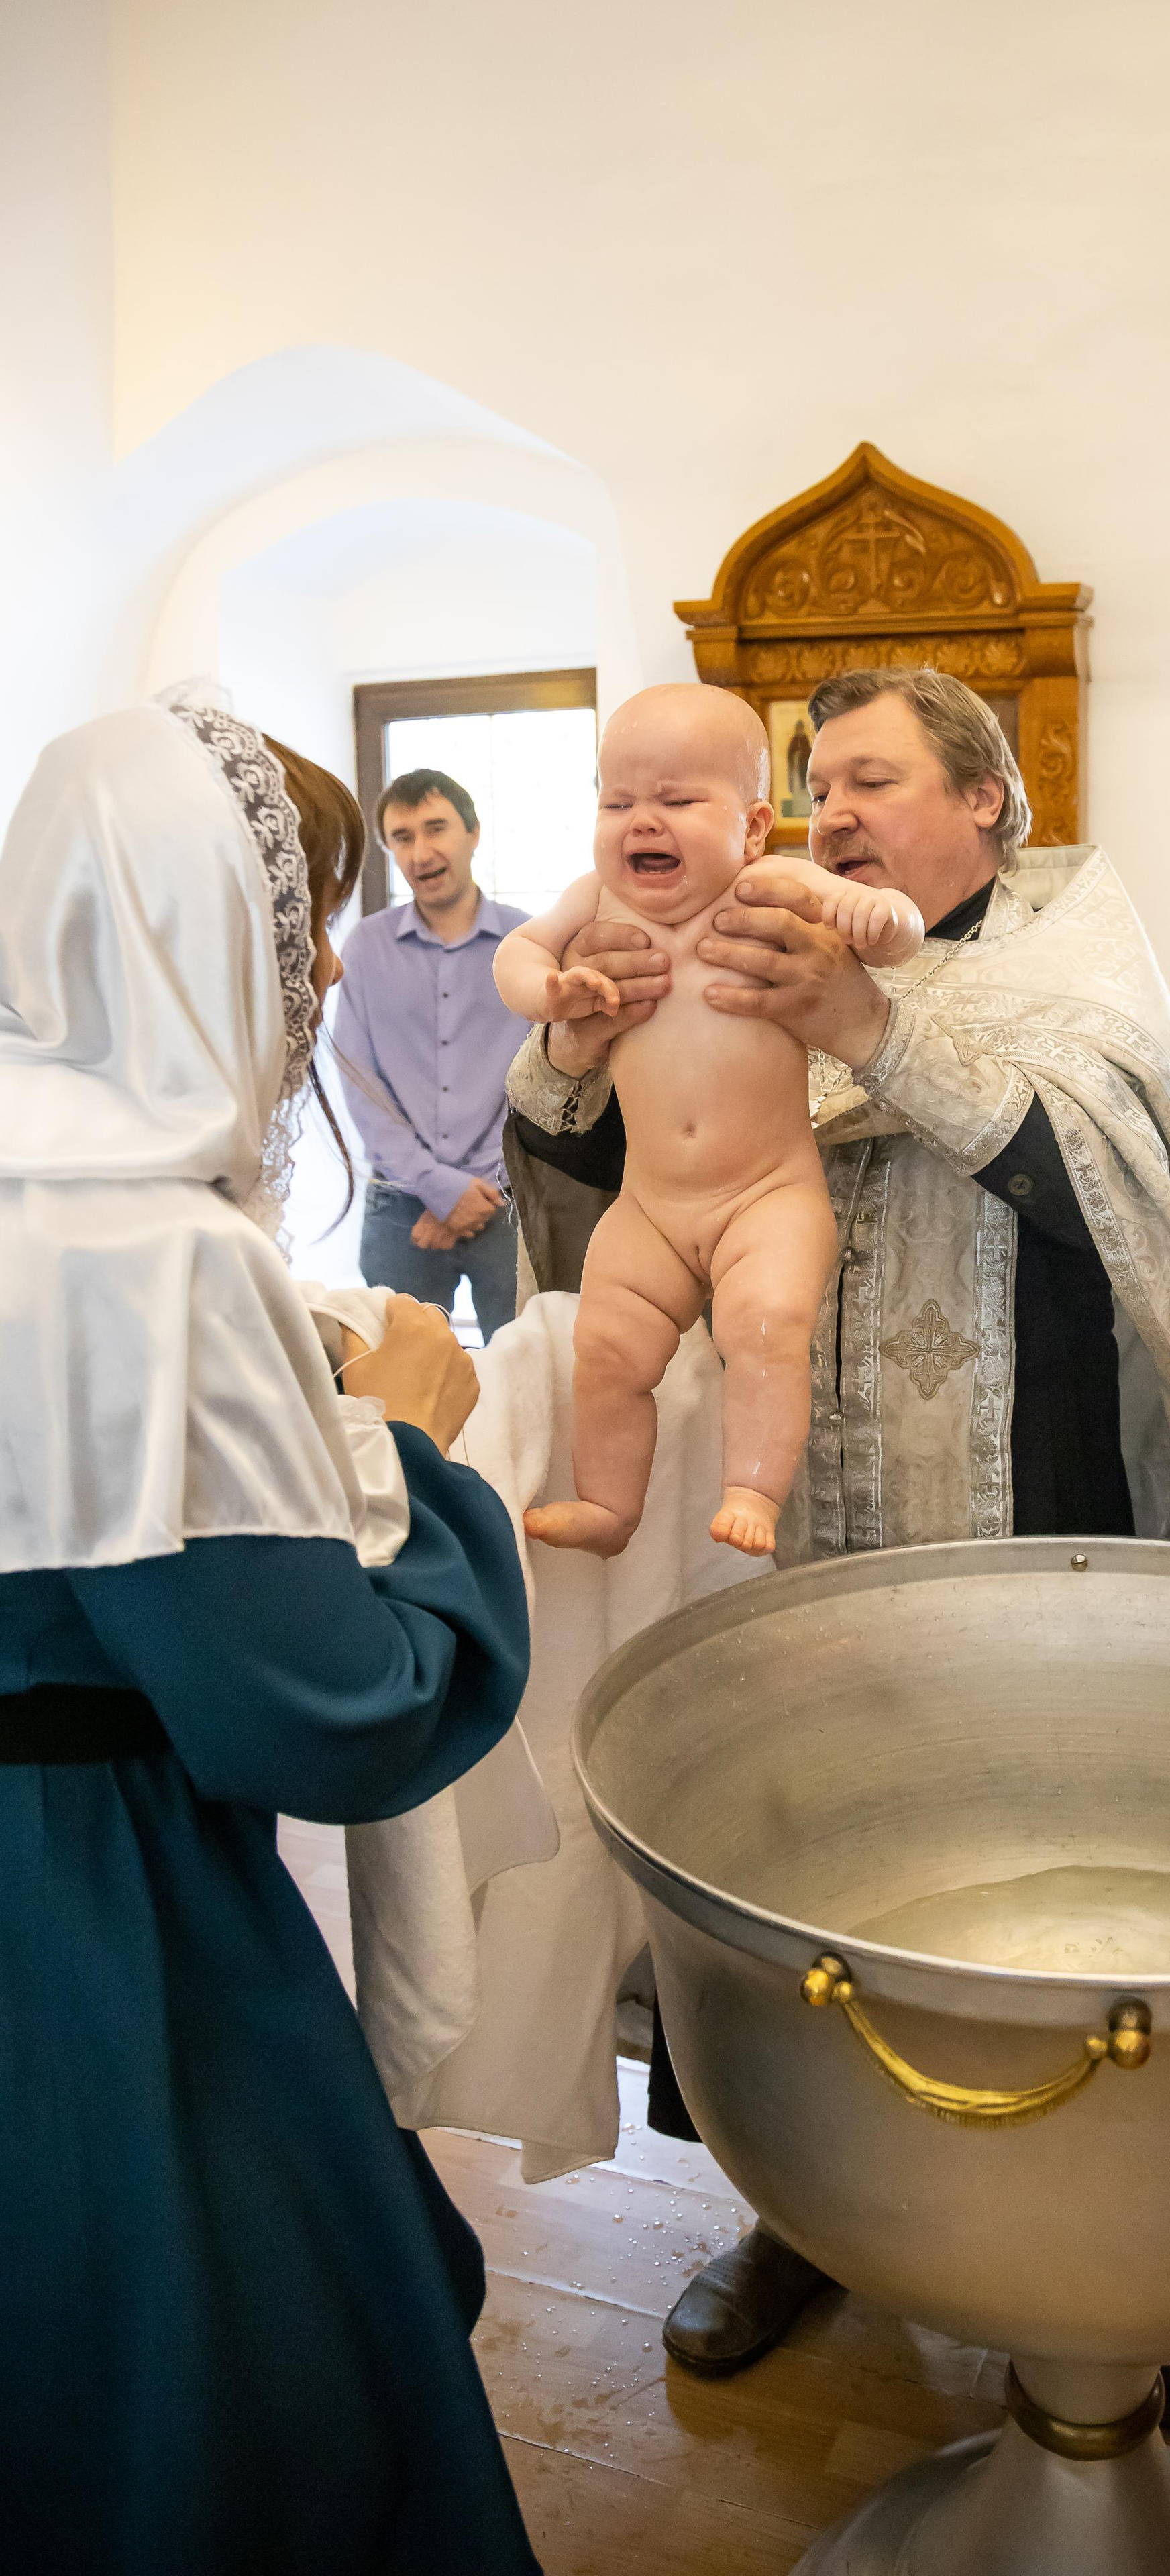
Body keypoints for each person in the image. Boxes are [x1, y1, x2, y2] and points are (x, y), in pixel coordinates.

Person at [504, 667, 1170, 2432]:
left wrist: (878, 1026)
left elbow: (1140, 1196)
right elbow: (578, 1174)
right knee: (793, 1870)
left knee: (1075, 1885)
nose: (832, 813)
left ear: (991, 801)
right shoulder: (727, 932)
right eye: (813, 785)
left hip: (1037, 1529)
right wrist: (580, 1038)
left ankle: (1139, 2269)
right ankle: (799, 2213)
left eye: (874, 781)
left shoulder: (1073, 971)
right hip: (781, 1524)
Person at [0, 696, 540, 2573]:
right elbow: (321, 1715)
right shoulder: (152, 1251)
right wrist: (412, 1446)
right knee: (226, 2393)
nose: (314, 980)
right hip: (91, 1920)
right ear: (210, 929)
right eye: (300, 924)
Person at [493, 684, 920, 1558]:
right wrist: (549, 992)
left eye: (678, 800)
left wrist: (882, 917)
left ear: (754, 825)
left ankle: (752, 1489)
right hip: (649, 1203)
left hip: (767, 1194)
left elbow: (891, 930)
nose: (641, 821)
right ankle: (610, 1507)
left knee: (765, 1325)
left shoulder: (773, 887)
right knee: (606, 1348)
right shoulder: (596, 906)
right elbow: (520, 950)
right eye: (618, 802)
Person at [336, 767, 529, 1340]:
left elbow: (542, 1080)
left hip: (507, 1199)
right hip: (400, 1207)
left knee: (525, 1386)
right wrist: (439, 1189)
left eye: (436, 828)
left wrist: (473, 1191)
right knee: (398, 1394)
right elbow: (358, 1082)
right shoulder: (366, 948)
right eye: (402, 837)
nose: (421, 851)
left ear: (472, 834)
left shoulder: (529, 945)